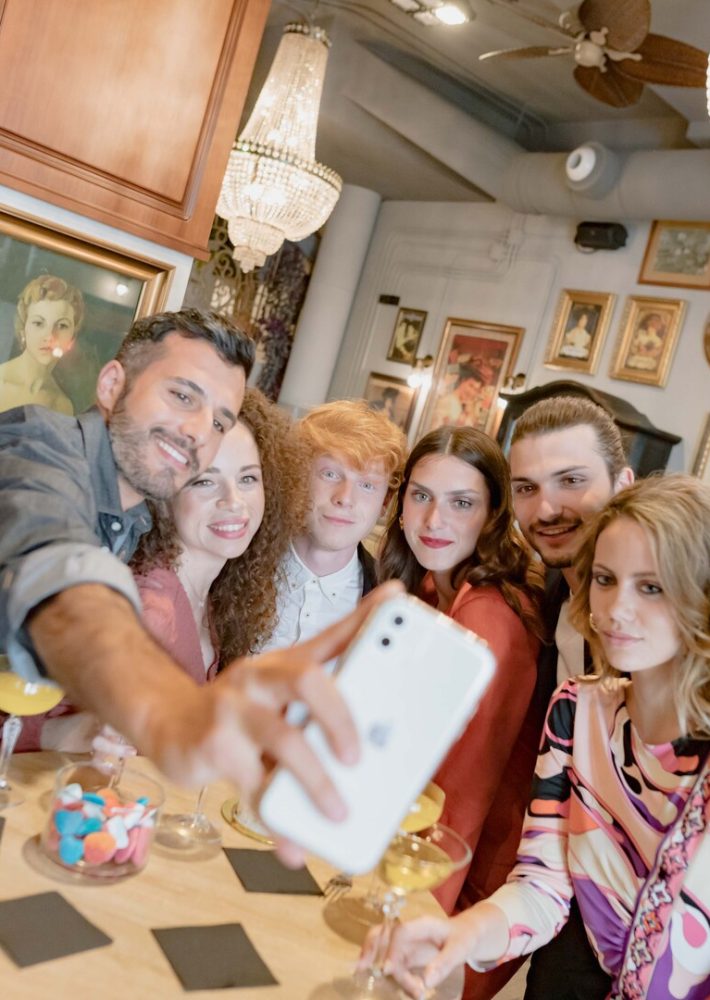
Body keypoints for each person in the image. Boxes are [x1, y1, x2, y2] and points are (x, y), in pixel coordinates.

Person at [0, 309, 393, 863]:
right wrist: (167, 709)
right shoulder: (36, 444)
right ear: (112, 385)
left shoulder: (135, 519)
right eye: (183, 396)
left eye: (218, 420)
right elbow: (59, 573)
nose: (197, 433)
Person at [360, 474, 710, 1000]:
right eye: (607, 579)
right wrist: (460, 932)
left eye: (652, 586)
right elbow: (545, 885)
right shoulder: (577, 710)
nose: (617, 608)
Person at [10, 388, 308, 749]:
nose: (234, 501)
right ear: (166, 497)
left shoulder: (213, 596)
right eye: (205, 481)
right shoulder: (150, 607)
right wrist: (70, 733)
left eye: (248, 478)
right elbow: (17, 723)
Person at [378, 425, 543, 1000]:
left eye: (461, 503)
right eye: (421, 495)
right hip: (416, 846)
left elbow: (462, 794)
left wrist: (415, 917)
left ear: (493, 516)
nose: (433, 521)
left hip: (468, 883)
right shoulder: (427, 587)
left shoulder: (491, 618)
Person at [508, 394, 634, 999]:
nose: (547, 508)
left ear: (624, 483)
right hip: (574, 918)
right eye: (526, 488)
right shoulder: (550, 605)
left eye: (571, 481)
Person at [260, 399, 407, 656]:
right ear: (298, 475)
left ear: (385, 502)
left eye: (367, 485)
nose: (345, 498)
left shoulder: (392, 610)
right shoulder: (237, 564)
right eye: (330, 474)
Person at [0, 274, 84, 415]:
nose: (50, 336)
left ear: (72, 337)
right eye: (38, 323)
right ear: (23, 329)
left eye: (62, 325)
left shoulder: (62, 405)